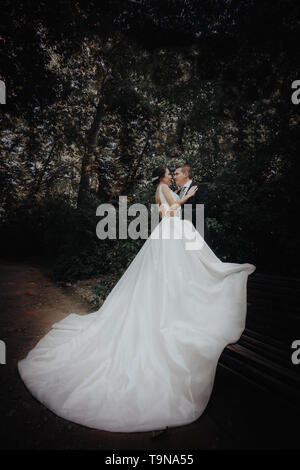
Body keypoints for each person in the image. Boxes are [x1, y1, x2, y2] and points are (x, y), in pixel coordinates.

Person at [17, 166, 256, 433]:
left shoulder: (162, 190)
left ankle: (169, 308)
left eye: (174, 173)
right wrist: (187, 198)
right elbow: (174, 206)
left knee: (164, 277)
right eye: (169, 172)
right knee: (171, 275)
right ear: (164, 177)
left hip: (168, 234)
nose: (171, 175)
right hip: (170, 235)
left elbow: (167, 210)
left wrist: (183, 198)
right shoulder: (164, 188)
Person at [174, 165, 212, 243]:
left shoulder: (200, 188)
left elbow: (202, 211)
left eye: (176, 174)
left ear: (186, 174)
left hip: (197, 236)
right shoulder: (177, 193)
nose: (174, 177)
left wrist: (179, 213)